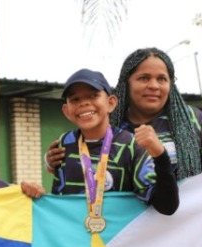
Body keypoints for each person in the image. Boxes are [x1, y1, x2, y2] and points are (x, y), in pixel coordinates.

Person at [46, 47, 202, 180]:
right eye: (144, 78)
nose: (154, 85)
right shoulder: (109, 127)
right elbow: (83, 167)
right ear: (125, 85)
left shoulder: (192, 120)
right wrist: (52, 162)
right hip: (127, 237)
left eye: (162, 79)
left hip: (184, 234)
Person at [49, 68, 179, 234]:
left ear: (111, 103)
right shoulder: (64, 143)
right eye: (75, 99)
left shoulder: (131, 145)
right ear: (67, 111)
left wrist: (160, 155)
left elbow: (167, 206)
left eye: (92, 96)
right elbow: (57, 204)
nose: (84, 103)